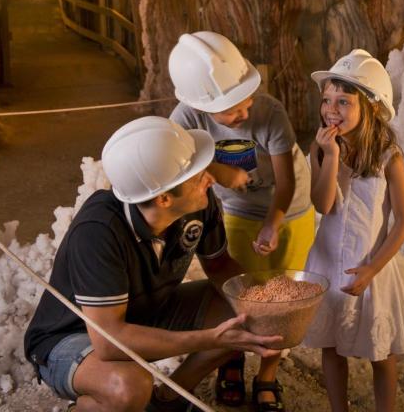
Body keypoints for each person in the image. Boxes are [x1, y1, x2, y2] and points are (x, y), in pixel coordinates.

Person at [23, 116, 282, 412]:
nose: (209, 177)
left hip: (142, 313)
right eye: (197, 174)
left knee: (241, 307)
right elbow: (110, 342)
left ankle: (168, 401)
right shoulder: (98, 230)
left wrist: (268, 304)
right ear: (163, 198)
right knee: (130, 386)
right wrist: (209, 338)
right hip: (74, 336)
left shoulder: (198, 203)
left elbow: (220, 266)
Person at [167, 31, 314, 411]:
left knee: (282, 299)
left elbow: (287, 181)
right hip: (235, 211)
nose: (243, 112)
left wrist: (274, 221)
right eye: (231, 109)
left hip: (289, 208)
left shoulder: (270, 112)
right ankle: (229, 364)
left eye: (245, 99)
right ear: (200, 104)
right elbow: (175, 161)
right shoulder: (185, 118)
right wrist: (217, 167)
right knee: (238, 295)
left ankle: (267, 376)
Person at [303, 49, 404, 412]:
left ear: (370, 106)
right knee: (331, 345)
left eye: (343, 101)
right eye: (326, 100)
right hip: (327, 261)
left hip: (371, 265)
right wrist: (331, 158)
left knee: (380, 352)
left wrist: (372, 268)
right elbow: (322, 206)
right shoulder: (321, 148)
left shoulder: (388, 155)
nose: (331, 110)